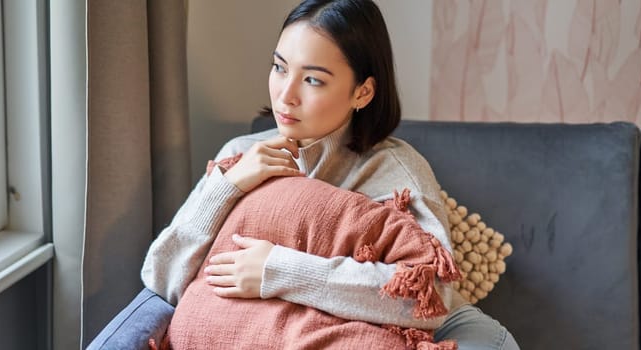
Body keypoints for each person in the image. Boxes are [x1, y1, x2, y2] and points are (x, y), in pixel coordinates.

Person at [140, 0, 520, 348]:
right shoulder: (241, 154)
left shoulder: (396, 172)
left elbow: (429, 301)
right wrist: (226, 187)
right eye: (279, 67)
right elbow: (161, 280)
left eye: (313, 79)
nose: (285, 95)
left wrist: (280, 271)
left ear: (363, 92)